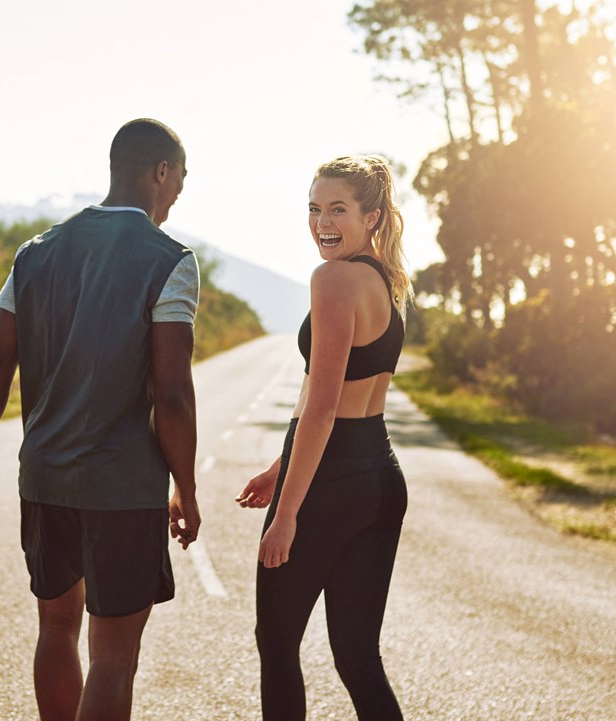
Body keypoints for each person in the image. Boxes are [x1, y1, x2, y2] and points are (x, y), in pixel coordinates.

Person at [0, 118, 201, 721]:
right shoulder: (171, 261)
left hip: (45, 479)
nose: (178, 192)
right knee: (114, 659)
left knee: (55, 629)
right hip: (122, 487)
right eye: (180, 178)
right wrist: (186, 487)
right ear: (160, 171)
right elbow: (171, 395)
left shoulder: (34, 253)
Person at [236, 155, 409, 720]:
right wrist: (280, 466)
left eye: (337, 209)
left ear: (372, 216)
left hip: (330, 483)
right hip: (379, 476)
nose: (322, 223)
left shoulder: (332, 279)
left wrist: (288, 512)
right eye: (314, 209)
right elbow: (327, 389)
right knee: (358, 657)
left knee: (277, 642)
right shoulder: (384, 281)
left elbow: (323, 406)